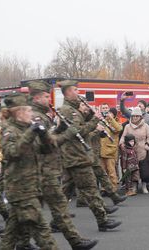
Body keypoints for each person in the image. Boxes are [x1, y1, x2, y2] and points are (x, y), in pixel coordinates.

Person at [25, 81, 98, 250]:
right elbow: (45, 145)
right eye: (44, 96)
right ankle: (75, 241)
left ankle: (22, 243)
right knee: (53, 207)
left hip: (46, 168)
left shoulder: (42, 114)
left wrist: (58, 130)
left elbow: (48, 138)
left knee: (30, 211)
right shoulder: (36, 116)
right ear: (36, 97)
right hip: (43, 169)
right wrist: (67, 133)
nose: (47, 99)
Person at [57, 80, 121, 232]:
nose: (77, 92)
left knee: (66, 188)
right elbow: (77, 132)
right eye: (74, 90)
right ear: (67, 92)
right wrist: (94, 120)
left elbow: (78, 128)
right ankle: (102, 219)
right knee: (91, 188)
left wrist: (89, 115)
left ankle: (57, 220)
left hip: (76, 155)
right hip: (76, 155)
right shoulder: (67, 110)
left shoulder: (73, 109)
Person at [0, 93, 58, 250]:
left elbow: (49, 149)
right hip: (21, 191)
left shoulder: (28, 129)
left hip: (32, 188)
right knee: (43, 233)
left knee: (11, 234)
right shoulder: (9, 131)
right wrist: (31, 132)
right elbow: (12, 153)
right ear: (19, 113)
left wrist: (44, 134)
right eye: (29, 111)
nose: (32, 114)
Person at [119, 107, 149, 194]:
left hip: (143, 150)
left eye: (137, 116)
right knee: (133, 170)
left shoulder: (146, 126)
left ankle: (144, 186)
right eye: (133, 116)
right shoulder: (127, 126)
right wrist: (122, 144)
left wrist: (147, 145)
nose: (135, 118)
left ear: (140, 117)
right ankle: (134, 186)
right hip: (131, 152)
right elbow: (123, 136)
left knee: (144, 169)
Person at [100, 106, 123, 192]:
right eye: (108, 113)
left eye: (111, 113)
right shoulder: (104, 122)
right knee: (103, 172)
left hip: (111, 151)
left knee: (111, 172)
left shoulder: (117, 122)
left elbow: (119, 129)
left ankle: (113, 188)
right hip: (102, 150)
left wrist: (111, 119)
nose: (109, 114)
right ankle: (104, 188)